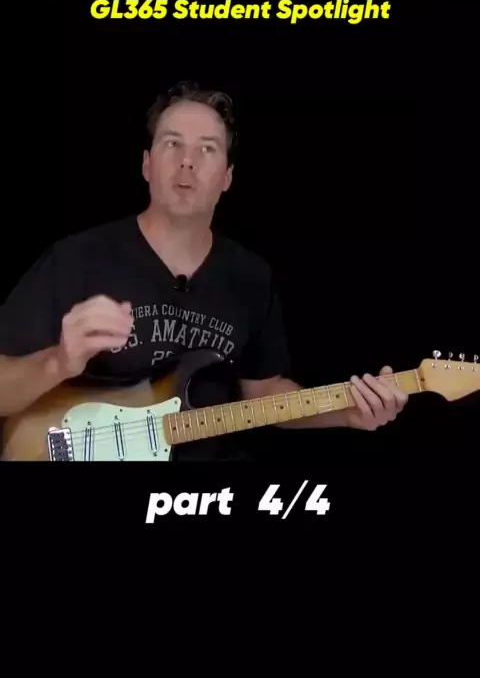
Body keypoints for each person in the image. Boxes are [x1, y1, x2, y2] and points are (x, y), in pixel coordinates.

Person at [0, 80, 408, 460]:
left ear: (227, 177)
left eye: (207, 149)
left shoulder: (251, 278)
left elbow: (263, 393)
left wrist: (347, 412)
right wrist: (59, 362)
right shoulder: (76, 259)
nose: (187, 162)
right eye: (172, 143)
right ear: (146, 164)